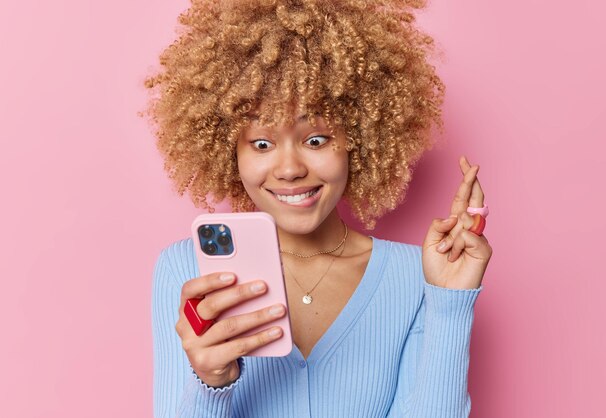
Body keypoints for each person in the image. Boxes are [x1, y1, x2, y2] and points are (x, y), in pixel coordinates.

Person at [143, 0, 493, 417]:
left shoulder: (416, 277)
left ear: (360, 138)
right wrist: (211, 384)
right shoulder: (186, 272)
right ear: (227, 151)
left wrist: (450, 301)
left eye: (316, 140)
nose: (290, 169)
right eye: (261, 143)